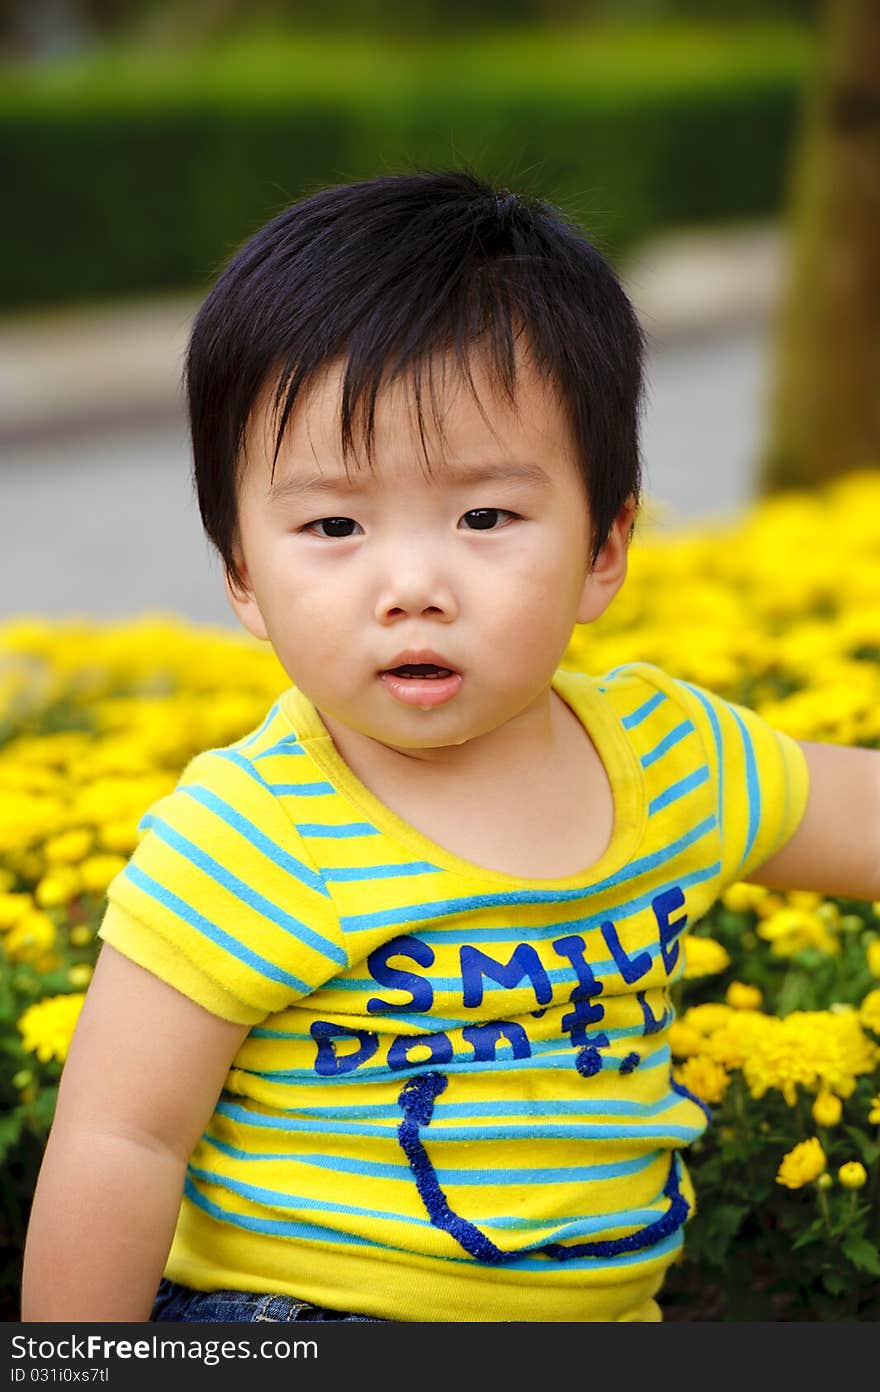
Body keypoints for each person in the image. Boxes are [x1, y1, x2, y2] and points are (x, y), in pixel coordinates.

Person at [20, 168, 880, 1325]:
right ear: (241, 575)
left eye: (485, 518)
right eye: (333, 525)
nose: (412, 586)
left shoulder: (672, 761)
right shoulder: (252, 832)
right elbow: (120, 1138)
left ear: (603, 550)